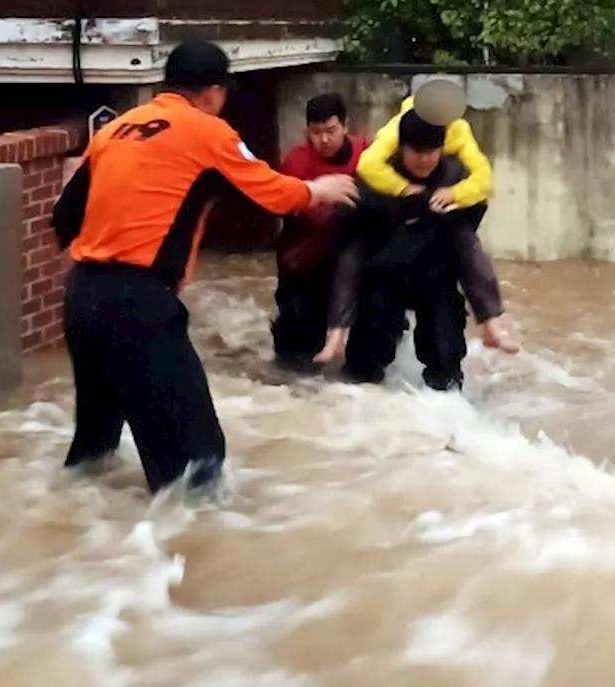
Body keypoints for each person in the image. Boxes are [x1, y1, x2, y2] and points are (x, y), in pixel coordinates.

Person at [49, 39, 358, 495]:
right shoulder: (208, 131)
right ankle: (195, 557)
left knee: (94, 455)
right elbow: (268, 191)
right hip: (140, 305)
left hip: (81, 300)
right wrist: (320, 189)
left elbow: (63, 219)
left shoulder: (117, 130)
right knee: (198, 463)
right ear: (213, 93)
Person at [315, 79, 518, 364]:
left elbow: (470, 241)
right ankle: (338, 334)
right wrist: (339, 323)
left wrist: (456, 195)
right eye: (416, 152)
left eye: (431, 152)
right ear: (401, 148)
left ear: (443, 148)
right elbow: (350, 251)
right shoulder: (375, 176)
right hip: (383, 276)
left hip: (433, 278)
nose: (424, 160)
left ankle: (491, 323)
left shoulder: (455, 171)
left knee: (445, 359)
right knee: (365, 365)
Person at [269, 93, 370, 373]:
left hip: (356, 263)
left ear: (346, 126)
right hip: (305, 266)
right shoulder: (296, 163)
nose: (324, 140)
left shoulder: (368, 155)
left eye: (330, 131)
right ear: (306, 132)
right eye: (316, 132)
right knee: (295, 361)